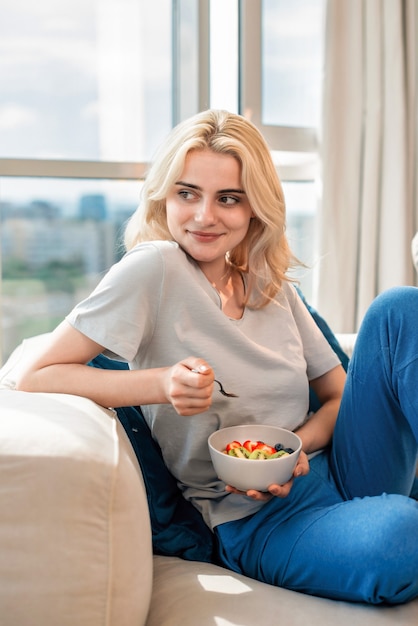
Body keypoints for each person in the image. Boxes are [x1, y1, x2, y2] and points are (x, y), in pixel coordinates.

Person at [16, 109, 418, 605]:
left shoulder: (268, 283)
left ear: (255, 208)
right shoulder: (153, 269)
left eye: (228, 198)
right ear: (165, 196)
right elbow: (36, 375)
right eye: (188, 193)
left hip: (338, 466)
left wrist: (294, 449)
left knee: (400, 309)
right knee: (400, 531)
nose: (204, 216)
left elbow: (338, 396)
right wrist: (161, 384)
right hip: (260, 520)